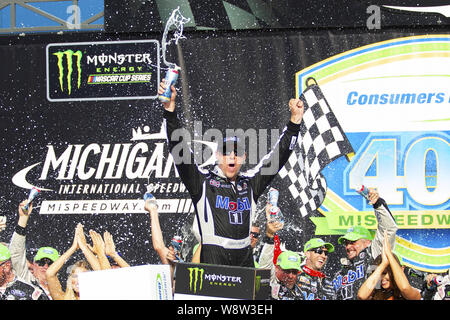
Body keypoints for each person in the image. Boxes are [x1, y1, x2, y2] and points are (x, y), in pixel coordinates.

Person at [159, 80, 304, 267]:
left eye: (237, 153)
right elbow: (180, 151)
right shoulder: (203, 182)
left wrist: (295, 122)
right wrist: (170, 112)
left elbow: (278, 157)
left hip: (244, 264)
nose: (232, 157)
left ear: (243, 157)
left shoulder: (250, 184)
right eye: (227, 152)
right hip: (213, 263)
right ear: (218, 155)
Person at [332, 187, 398, 300]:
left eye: (353, 242)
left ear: (367, 242)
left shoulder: (373, 254)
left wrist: (377, 204)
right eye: (346, 243)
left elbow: (389, 228)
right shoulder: (340, 272)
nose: (348, 247)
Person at [9, 200, 60, 299]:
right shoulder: (26, 280)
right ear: (34, 264)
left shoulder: (64, 291)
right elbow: (16, 254)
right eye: (41, 262)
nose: (45, 266)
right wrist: (23, 219)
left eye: (50, 263)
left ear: (57, 268)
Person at [45, 223, 104, 300]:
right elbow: (49, 273)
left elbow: (104, 274)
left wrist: (84, 247)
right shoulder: (63, 298)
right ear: (70, 280)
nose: (79, 280)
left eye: (83, 276)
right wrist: (73, 248)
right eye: (75, 276)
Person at [358, 233, 421, 300]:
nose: (382, 278)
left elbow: (404, 288)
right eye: (380, 273)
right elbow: (361, 295)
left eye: (385, 273)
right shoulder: (374, 294)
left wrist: (389, 255)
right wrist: (383, 264)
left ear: (401, 269)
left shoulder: (411, 292)